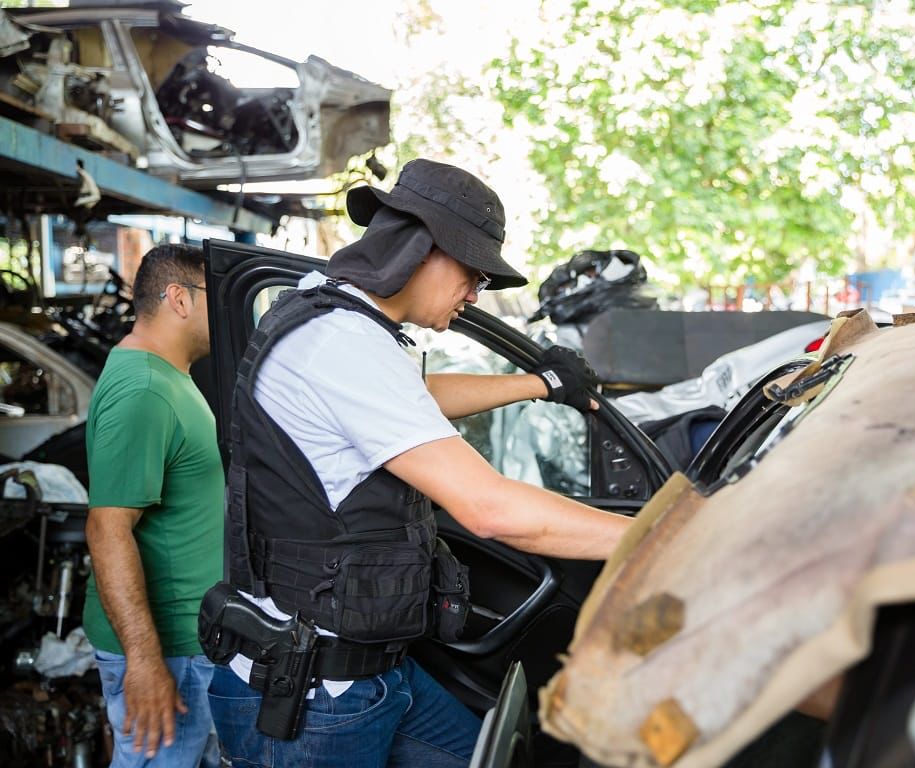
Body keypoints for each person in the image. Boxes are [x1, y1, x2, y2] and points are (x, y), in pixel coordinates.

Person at [204, 159, 634, 767]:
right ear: (423, 250)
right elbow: (488, 510)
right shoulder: (340, 343)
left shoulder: (335, 318)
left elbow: (416, 401)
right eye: (474, 273)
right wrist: (664, 533)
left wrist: (540, 383)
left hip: (367, 674)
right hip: (311, 701)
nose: (476, 293)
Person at [83, 243, 223, 767]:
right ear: (178, 299)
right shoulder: (145, 389)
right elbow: (107, 529)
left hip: (188, 641)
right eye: (216, 296)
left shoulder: (164, 376)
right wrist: (145, 662)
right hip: (167, 650)